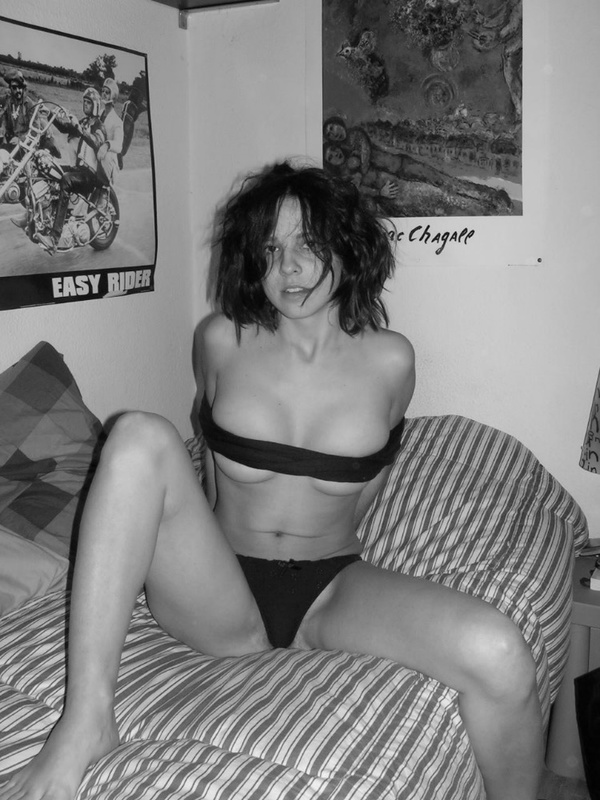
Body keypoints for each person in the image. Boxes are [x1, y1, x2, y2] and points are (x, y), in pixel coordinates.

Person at [0, 162, 543, 800]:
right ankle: (87, 720)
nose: (289, 268)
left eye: (308, 244)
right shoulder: (220, 341)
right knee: (138, 434)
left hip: (328, 586)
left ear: (347, 246)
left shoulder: (392, 360)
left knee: (500, 651)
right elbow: (207, 457)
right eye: (270, 248)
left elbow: (368, 485)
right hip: (218, 589)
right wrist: (185, 544)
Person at [33, 87, 107, 254]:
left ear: (96, 105)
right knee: (49, 167)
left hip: (92, 175)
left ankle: (54, 238)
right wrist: (49, 115)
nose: (85, 105)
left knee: (66, 179)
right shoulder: (84, 122)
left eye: (89, 102)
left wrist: (80, 129)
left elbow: (97, 143)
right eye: (84, 102)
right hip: (79, 169)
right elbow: (65, 127)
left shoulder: (99, 126)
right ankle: (34, 218)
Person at [99, 78, 123, 185]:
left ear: (113, 96)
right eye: (103, 91)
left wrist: (107, 145)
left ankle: (106, 189)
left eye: (107, 92)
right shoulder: (98, 113)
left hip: (110, 164)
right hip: (97, 158)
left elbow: (118, 145)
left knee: (106, 155)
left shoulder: (117, 121)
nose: (104, 94)